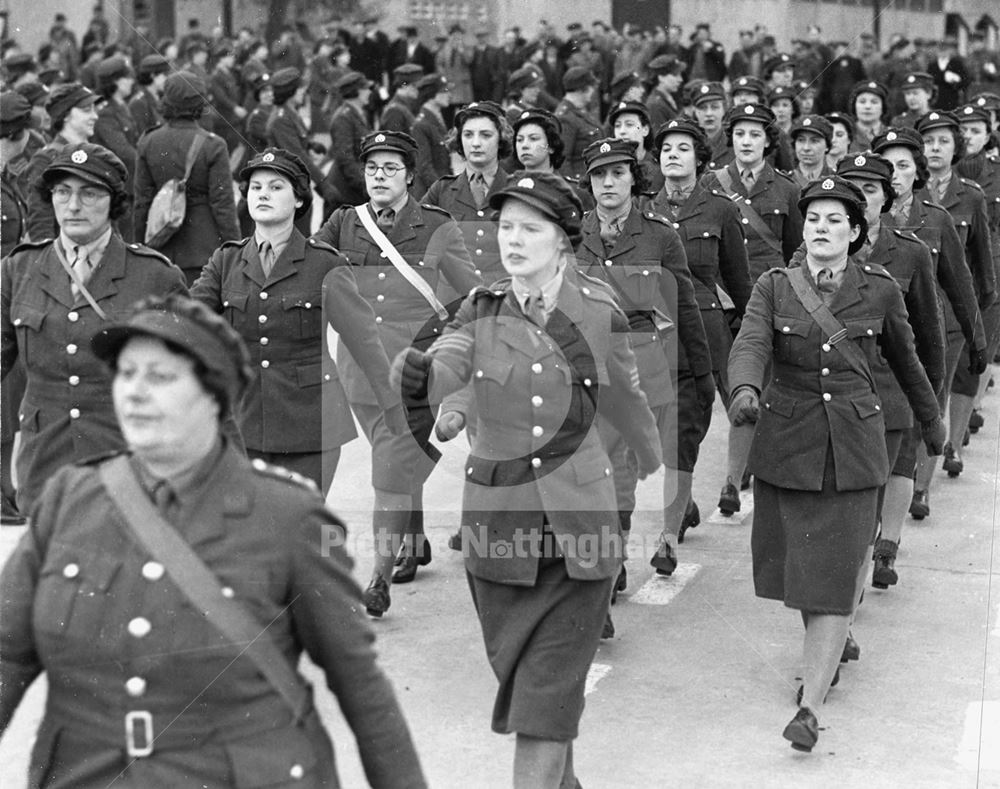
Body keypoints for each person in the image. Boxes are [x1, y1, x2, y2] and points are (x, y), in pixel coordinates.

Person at [0, 293, 427, 788]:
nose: (134, 392)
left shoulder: (288, 517)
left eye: (159, 377)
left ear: (213, 397)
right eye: (126, 373)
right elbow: (6, 653)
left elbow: (362, 688)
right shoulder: (68, 501)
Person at [391, 170, 661, 789]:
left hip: (580, 535)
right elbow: (455, 355)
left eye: (529, 229)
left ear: (563, 239)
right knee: (531, 688)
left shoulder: (597, 311)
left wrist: (648, 468)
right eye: (505, 227)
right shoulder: (481, 307)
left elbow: (625, 396)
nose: (512, 240)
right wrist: (427, 378)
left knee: (543, 702)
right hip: (498, 529)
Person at [727, 175, 944, 753]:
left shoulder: (879, 289)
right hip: (788, 446)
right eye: (813, 219)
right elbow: (750, 342)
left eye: (834, 220)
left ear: (855, 232)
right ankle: (829, 647)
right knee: (803, 574)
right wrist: (745, 388)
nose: (821, 229)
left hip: (855, 448)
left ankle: (811, 706)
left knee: (830, 574)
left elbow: (907, 358)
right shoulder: (775, 286)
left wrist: (931, 420)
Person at [312, 130, 481, 615]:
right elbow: (309, 269)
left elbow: (470, 295)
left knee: (389, 469)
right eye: (372, 168)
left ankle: (379, 576)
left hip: (415, 371)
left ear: (410, 176)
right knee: (399, 462)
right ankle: (415, 537)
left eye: (390, 168)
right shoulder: (345, 223)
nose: (380, 177)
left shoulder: (437, 226)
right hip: (359, 369)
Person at [191, 148, 405, 493]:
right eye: (256, 187)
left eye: (276, 187)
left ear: (300, 201)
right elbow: (189, 324)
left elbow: (363, 340)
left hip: (311, 427)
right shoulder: (225, 261)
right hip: (242, 423)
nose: (263, 194)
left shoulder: (325, 265)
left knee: (300, 534)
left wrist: (391, 405)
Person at [1, 142, 188, 514]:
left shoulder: (154, 275)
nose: (73, 206)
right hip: (44, 469)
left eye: (89, 193)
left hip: (127, 463)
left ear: (113, 202)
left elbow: (195, 379)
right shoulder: (18, 270)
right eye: (62, 192)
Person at [575, 137, 711, 626]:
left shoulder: (659, 236)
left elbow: (685, 305)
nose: (607, 184)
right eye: (598, 176)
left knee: (621, 474)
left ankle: (608, 567)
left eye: (617, 174)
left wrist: (701, 373)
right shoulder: (574, 232)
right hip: (585, 371)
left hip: (641, 370)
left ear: (635, 178)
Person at [643, 117, 751, 563]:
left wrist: (748, 337)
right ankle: (682, 504)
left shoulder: (721, 210)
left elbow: (740, 283)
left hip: (704, 332)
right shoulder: (642, 209)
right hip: (650, 333)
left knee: (684, 429)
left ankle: (667, 538)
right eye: (666, 147)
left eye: (683, 148)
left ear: (701, 158)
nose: (672, 154)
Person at [871, 126, 986, 525]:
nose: (895, 174)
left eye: (903, 165)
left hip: (930, 334)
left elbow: (962, 282)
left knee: (922, 419)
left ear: (916, 172)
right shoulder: (856, 221)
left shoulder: (936, 220)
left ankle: (911, 501)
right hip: (874, 341)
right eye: (887, 166)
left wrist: (978, 338)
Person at [701, 103, 803, 515]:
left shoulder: (787, 190)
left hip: (765, 304)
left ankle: (732, 479)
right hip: (719, 299)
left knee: (751, 386)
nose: (746, 141)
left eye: (754, 134)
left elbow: (797, 250)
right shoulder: (710, 183)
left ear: (767, 141)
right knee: (732, 388)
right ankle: (740, 468)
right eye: (739, 134)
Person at [915, 109, 996, 483]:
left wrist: (976, 320)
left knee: (943, 393)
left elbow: (981, 266)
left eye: (943, 141)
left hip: (950, 314)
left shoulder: (971, 197)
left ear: (956, 148)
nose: (934, 148)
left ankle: (925, 484)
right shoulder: (904, 193)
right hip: (907, 310)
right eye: (928, 141)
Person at [134, 71, 240, 285]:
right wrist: (236, 250)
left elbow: (142, 204)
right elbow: (223, 206)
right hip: (203, 248)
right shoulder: (213, 145)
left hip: (159, 248)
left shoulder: (148, 141)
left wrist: (139, 249)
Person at [956, 102, 1000, 441]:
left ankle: (968, 410)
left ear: (988, 136)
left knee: (981, 341)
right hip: (950, 268)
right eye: (964, 130)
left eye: (976, 130)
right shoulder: (938, 171)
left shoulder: (996, 170)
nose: (969, 136)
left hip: (990, 263)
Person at [24, 83, 101, 243]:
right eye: (87, 110)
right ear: (65, 115)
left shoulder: (95, 154)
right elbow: (40, 221)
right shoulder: (46, 159)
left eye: (94, 109)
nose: (95, 116)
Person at [554, 66, 603, 178]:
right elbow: (563, 161)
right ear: (583, 89)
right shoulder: (565, 118)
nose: (592, 91)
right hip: (580, 184)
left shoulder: (579, 111)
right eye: (591, 87)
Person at [411, 73, 453, 196]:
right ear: (431, 94)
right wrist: (443, 192)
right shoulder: (421, 124)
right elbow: (424, 168)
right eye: (444, 91)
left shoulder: (436, 119)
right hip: (430, 193)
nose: (449, 95)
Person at [608, 99, 663, 193]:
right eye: (617, 126)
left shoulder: (660, 168)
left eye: (629, 124)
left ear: (645, 130)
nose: (622, 131)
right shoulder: (608, 166)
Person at [128, 54, 170, 136]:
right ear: (153, 75)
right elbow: (143, 136)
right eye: (164, 75)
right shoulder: (139, 103)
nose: (167, 78)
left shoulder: (162, 97)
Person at [789, 114, 835, 187]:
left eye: (814, 141)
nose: (806, 148)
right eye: (801, 140)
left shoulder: (838, 181)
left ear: (827, 146)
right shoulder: (783, 182)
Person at [849, 80, 889, 151]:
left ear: (883, 107)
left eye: (874, 102)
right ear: (854, 106)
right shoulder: (846, 135)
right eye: (862, 102)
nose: (867, 106)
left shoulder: (890, 135)